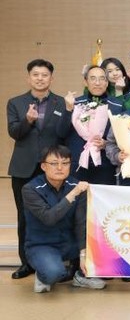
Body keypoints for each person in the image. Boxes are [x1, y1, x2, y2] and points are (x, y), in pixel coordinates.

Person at [7, 59, 72, 280]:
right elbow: (14, 133)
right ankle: (26, 263)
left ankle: (57, 258)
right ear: (29, 78)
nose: (40, 78)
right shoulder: (15, 103)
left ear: (51, 78)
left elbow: (64, 134)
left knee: (57, 214)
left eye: (45, 75)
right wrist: (27, 120)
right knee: (24, 217)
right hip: (23, 169)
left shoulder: (62, 103)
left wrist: (69, 111)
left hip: (53, 170)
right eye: (36, 74)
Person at [22, 145, 106, 293]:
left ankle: (80, 275)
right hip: (42, 245)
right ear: (43, 166)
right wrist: (73, 193)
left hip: (69, 243)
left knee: (107, 251)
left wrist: (83, 254)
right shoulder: (30, 189)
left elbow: (80, 223)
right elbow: (49, 218)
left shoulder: (75, 185)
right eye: (54, 163)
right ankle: (43, 275)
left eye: (65, 163)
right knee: (53, 273)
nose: (60, 167)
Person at [65, 65, 124, 185]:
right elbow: (61, 132)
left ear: (107, 83)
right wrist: (68, 110)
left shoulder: (118, 106)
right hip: (78, 164)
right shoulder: (75, 103)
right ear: (85, 82)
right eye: (93, 78)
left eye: (102, 79)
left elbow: (123, 138)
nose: (97, 83)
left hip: (106, 166)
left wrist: (106, 144)